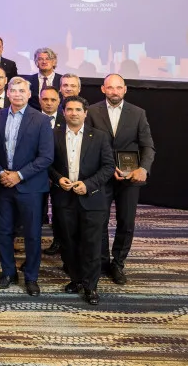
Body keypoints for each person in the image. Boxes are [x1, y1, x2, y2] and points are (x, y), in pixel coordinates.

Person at [0, 77, 54, 296]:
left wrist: (19, 175)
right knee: (3, 232)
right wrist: (0, 172)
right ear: (7, 93)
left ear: (28, 94)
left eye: (21, 91)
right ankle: (8, 272)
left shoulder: (41, 120)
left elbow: (46, 157)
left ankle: (31, 277)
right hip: (3, 185)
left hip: (30, 187)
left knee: (32, 234)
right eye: (13, 90)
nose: (16, 94)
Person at [87, 74, 156, 286]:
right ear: (103, 89)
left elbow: (148, 146)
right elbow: (87, 145)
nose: (114, 91)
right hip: (101, 176)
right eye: (110, 88)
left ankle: (118, 263)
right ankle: (101, 261)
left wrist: (143, 168)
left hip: (130, 177)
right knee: (99, 221)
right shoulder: (91, 111)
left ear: (125, 89)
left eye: (118, 88)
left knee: (126, 222)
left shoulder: (137, 113)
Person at [49, 95, 115, 305]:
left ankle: (90, 286)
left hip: (92, 199)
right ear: (64, 112)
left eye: (78, 110)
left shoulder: (100, 137)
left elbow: (108, 167)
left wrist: (88, 185)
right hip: (64, 199)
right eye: (69, 109)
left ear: (85, 113)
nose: (74, 113)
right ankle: (76, 279)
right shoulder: (53, 136)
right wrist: (59, 179)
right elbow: (47, 165)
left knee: (91, 244)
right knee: (69, 243)